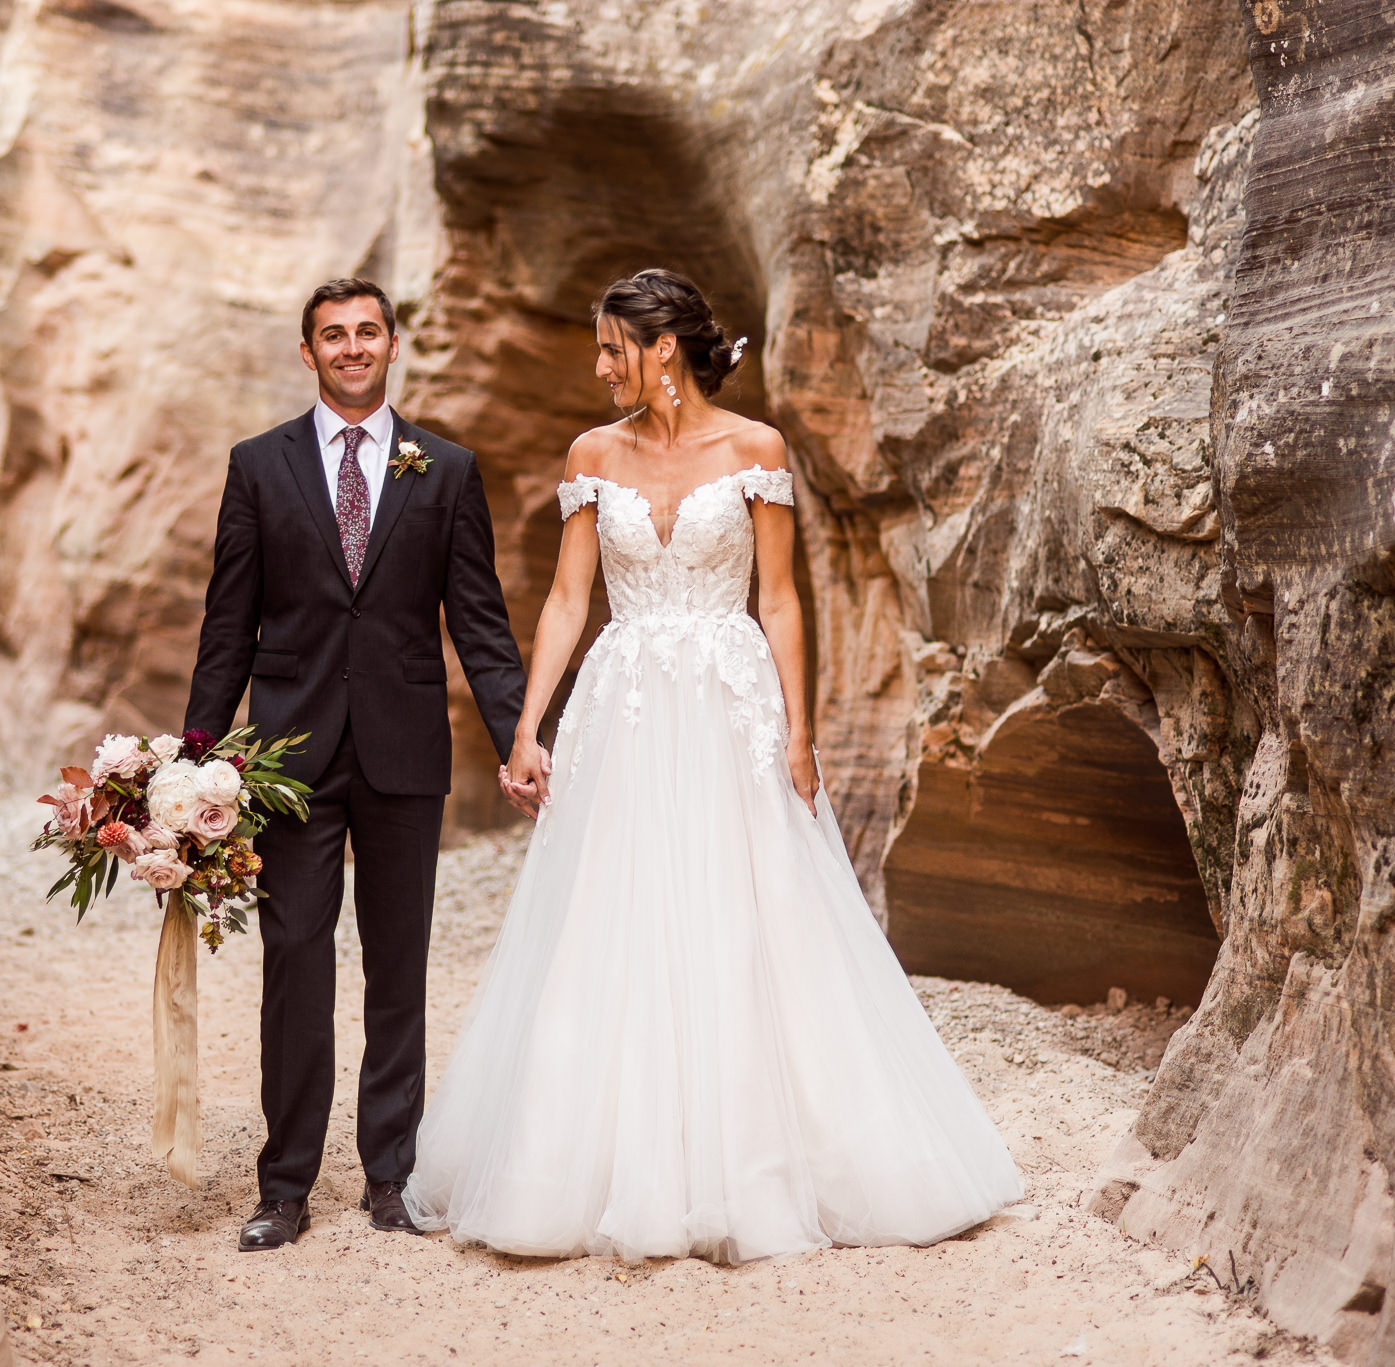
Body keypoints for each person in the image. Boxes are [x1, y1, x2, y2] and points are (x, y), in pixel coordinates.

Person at [402, 268, 1022, 1261]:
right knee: (613, 908)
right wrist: (524, 724)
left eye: (612, 346)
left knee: (751, 906)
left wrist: (800, 728)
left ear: (660, 349)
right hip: (625, 701)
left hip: (729, 699)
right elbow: (567, 601)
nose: (599, 366)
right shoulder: (590, 453)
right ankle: (590, 1162)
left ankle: (769, 1159)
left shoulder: (754, 448)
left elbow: (779, 598)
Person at [184, 278, 528, 1252]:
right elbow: (225, 627)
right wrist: (196, 763)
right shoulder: (257, 467)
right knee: (293, 957)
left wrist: (518, 740)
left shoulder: (446, 470)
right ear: (307, 353)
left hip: (401, 748)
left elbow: (481, 626)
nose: (349, 346)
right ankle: (284, 1183)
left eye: (365, 330)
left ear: (390, 344)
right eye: (331, 334)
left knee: (396, 964)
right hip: (288, 755)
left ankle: (391, 1173)